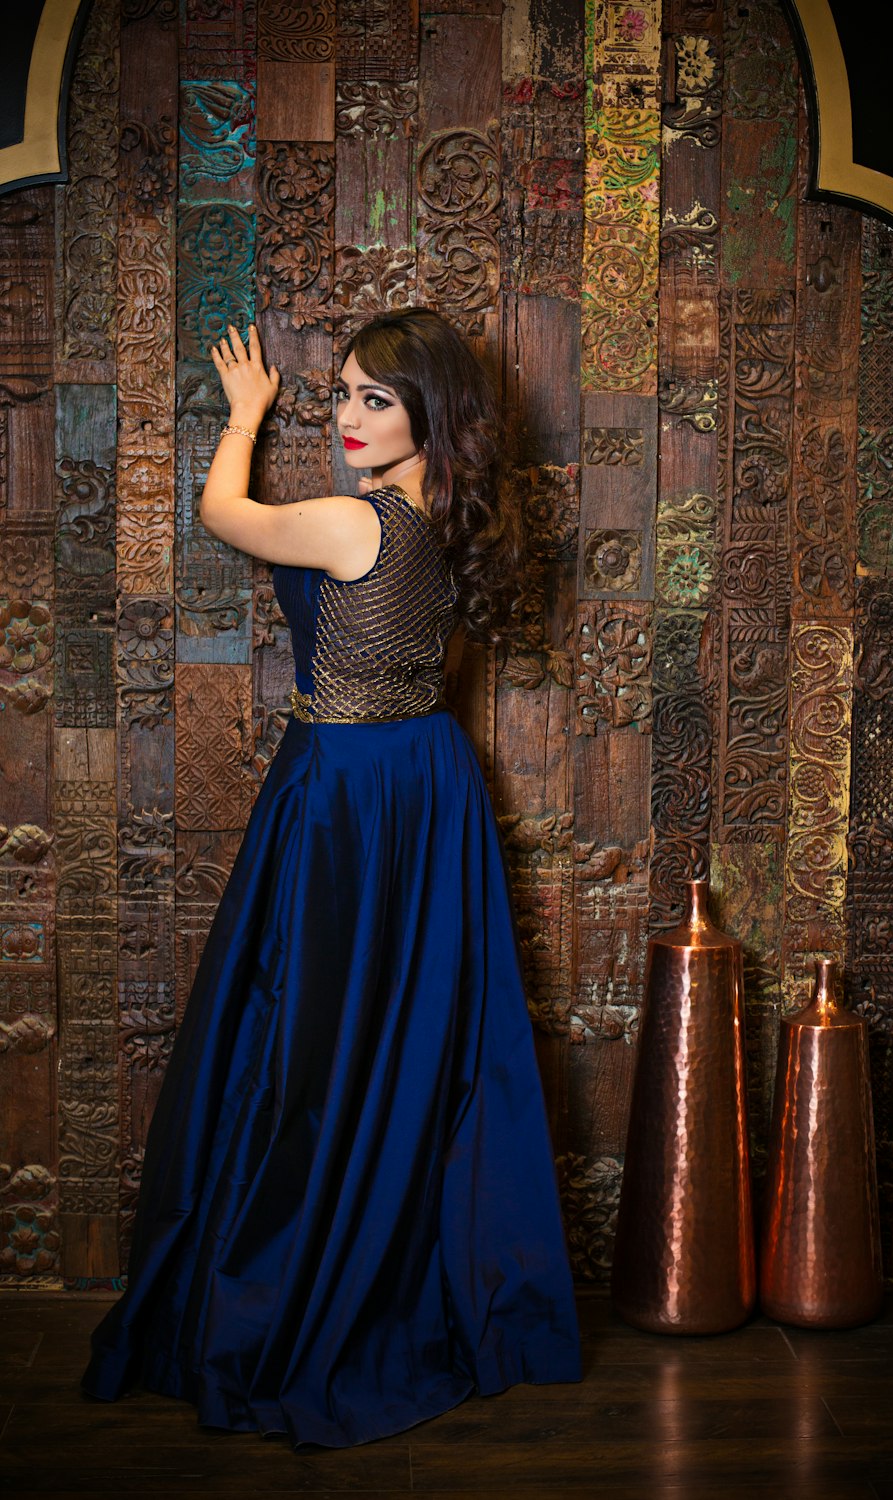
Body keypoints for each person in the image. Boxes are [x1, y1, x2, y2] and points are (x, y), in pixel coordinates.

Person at [80, 308, 582, 1448]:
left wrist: (247, 415)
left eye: (375, 400)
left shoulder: (356, 527)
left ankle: (298, 1274)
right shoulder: (445, 515)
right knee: (399, 1032)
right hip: (423, 777)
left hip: (354, 789)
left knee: (309, 1033)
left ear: (427, 415)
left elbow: (221, 514)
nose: (348, 419)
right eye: (341, 396)